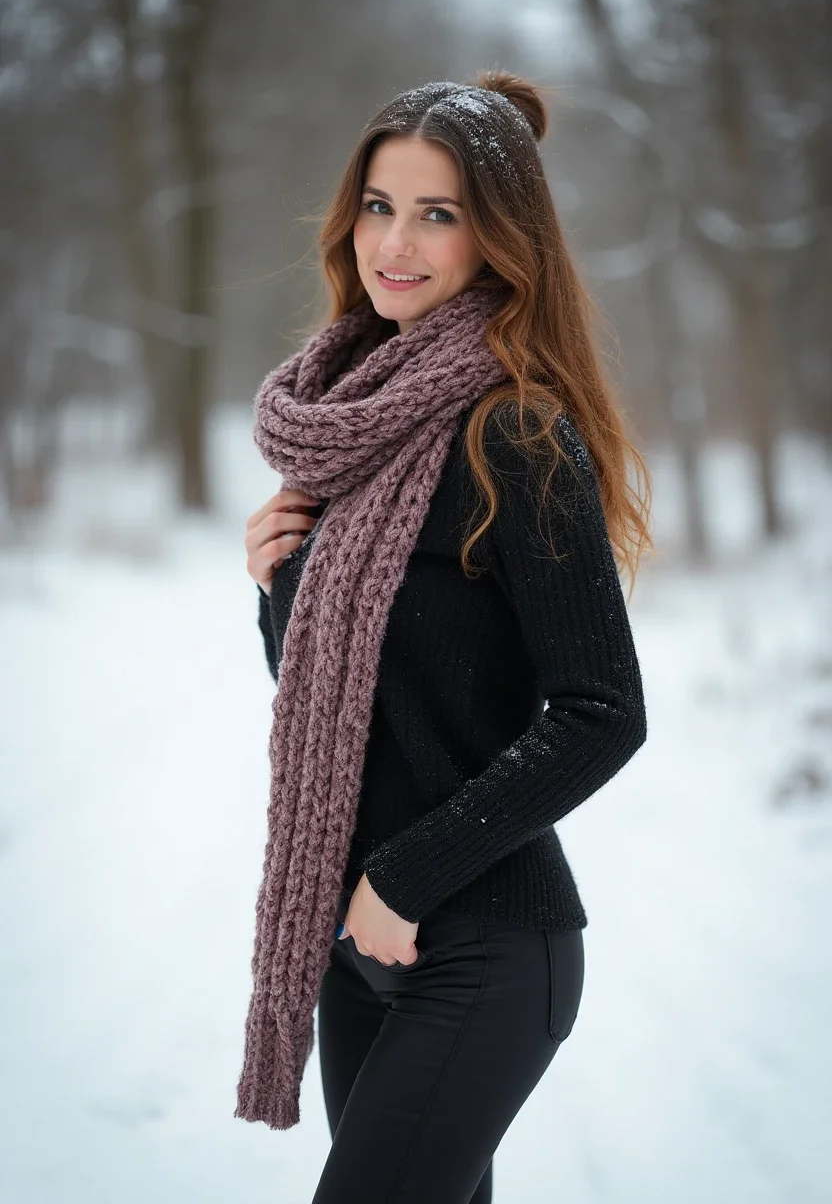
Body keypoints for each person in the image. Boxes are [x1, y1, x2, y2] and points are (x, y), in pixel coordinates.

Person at [240, 69, 652, 1203]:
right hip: (357, 950)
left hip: (482, 944)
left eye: (439, 212)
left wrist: (406, 878)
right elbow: (357, 705)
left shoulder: (512, 430)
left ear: (497, 234)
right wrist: (281, 588)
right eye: (380, 205)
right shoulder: (352, 430)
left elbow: (603, 712)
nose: (397, 243)